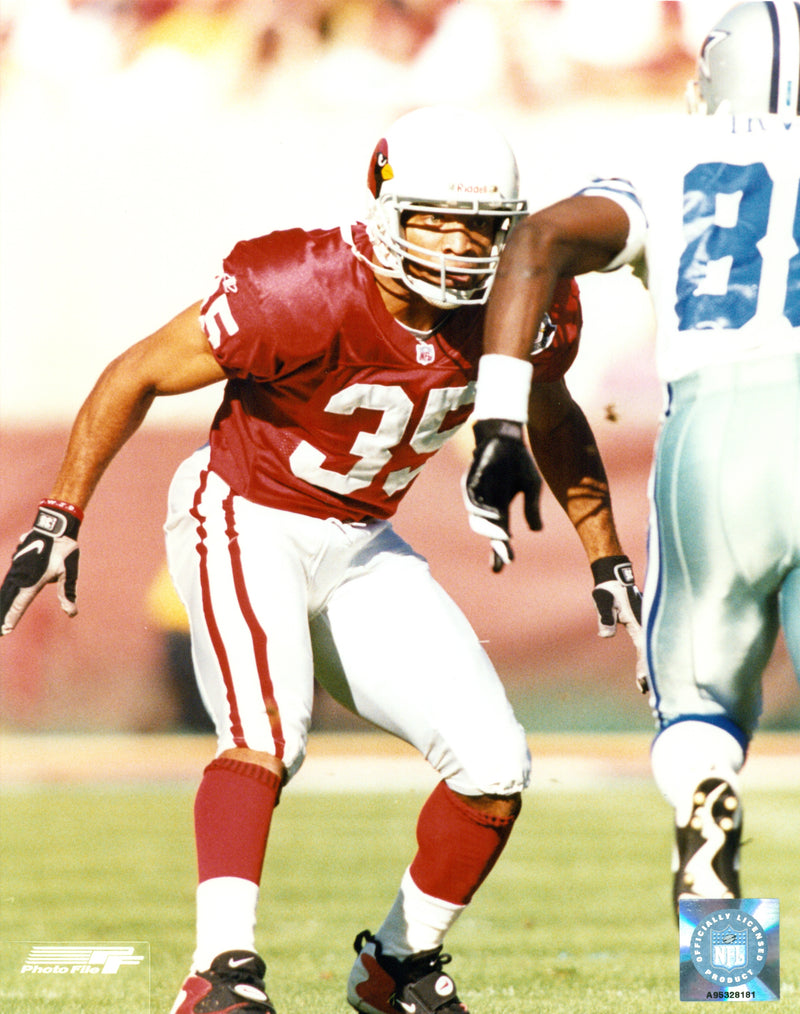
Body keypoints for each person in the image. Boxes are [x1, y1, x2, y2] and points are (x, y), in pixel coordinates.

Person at [0, 105, 643, 1014]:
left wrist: (604, 555)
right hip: (244, 509)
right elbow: (135, 372)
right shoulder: (298, 283)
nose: (464, 245)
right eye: (440, 219)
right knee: (266, 735)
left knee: (495, 763)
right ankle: (217, 973)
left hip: (361, 540)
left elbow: (553, 412)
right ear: (387, 208)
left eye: (484, 226)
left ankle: (396, 966)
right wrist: (60, 513)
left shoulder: (522, 303)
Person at [463, 1, 800, 916]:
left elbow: (534, 240)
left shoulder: (668, 160)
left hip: (718, 433)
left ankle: (715, 879)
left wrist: (499, 421)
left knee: (697, 709)